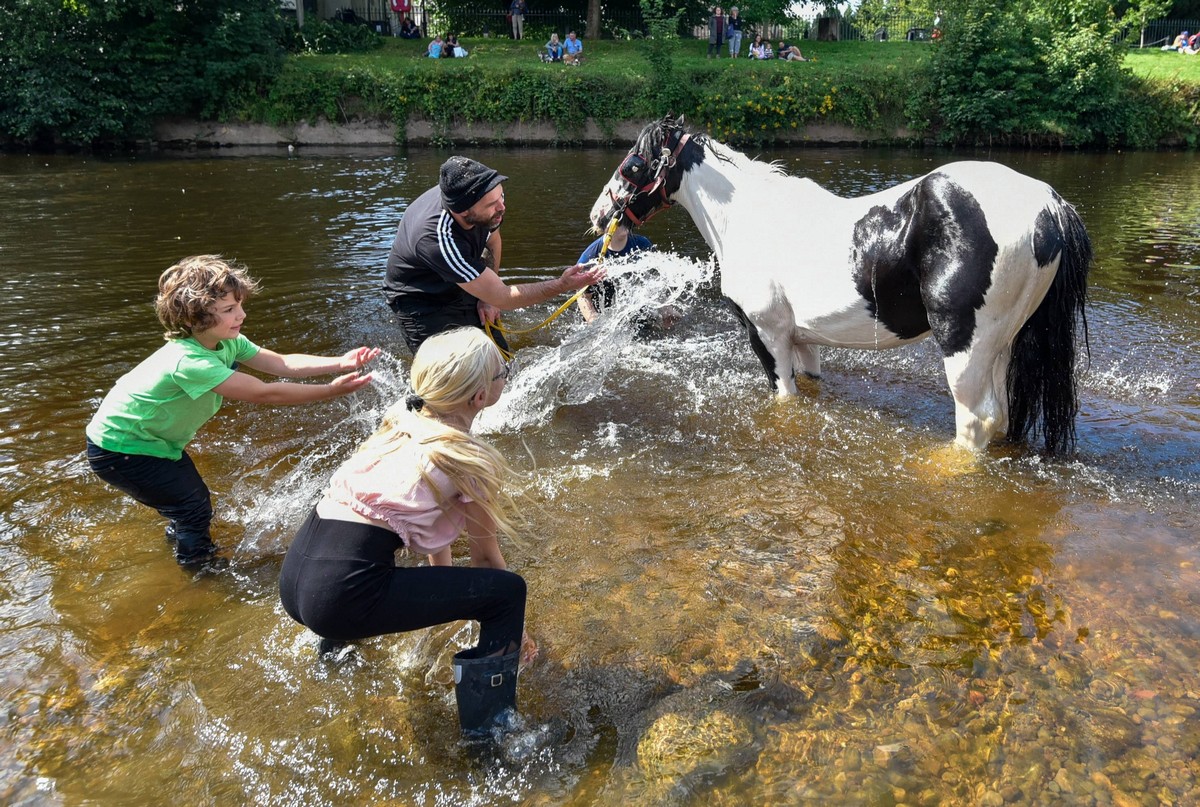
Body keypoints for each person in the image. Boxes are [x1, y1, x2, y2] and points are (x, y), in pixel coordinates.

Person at [279, 327, 537, 736]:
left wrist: (445, 607)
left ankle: (336, 663)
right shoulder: (466, 459)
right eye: (502, 370)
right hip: (340, 596)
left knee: (367, 576)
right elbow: (486, 559)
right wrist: (515, 631)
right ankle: (493, 731)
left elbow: (432, 535)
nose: (507, 373)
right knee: (508, 594)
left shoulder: (400, 424)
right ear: (480, 398)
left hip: (298, 582)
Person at [86, 255, 379, 570]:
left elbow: (279, 363)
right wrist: (331, 390)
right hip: (121, 448)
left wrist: (339, 363)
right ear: (192, 319)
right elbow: (265, 392)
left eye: (239, 304)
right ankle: (198, 569)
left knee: (189, 503)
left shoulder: (226, 342)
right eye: (228, 310)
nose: (241, 314)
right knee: (193, 504)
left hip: (150, 442)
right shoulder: (190, 362)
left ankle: (183, 535)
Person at [383, 156, 606, 355]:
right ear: (463, 212)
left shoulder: (484, 201)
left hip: (464, 274)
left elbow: (492, 241)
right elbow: (503, 296)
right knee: (448, 378)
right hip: (422, 300)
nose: (502, 207)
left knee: (498, 361)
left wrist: (485, 298)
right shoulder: (437, 238)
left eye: (501, 196)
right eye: (492, 204)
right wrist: (561, 284)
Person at [575, 226, 680, 329]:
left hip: (633, 308)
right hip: (604, 312)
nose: (624, 222)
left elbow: (655, 280)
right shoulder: (590, 256)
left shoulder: (642, 244)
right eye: (619, 220)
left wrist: (666, 309)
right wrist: (594, 323)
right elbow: (582, 296)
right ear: (604, 225)